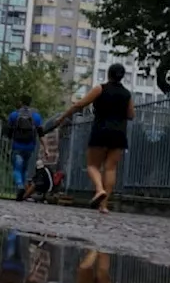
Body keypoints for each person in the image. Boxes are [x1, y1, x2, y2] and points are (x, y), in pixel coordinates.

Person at [57, 64, 135, 213]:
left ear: (108, 74)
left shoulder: (100, 89)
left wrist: (62, 118)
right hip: (119, 133)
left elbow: (80, 104)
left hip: (101, 130)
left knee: (92, 165)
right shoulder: (127, 94)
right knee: (111, 168)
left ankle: (99, 189)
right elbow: (131, 115)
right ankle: (104, 206)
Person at [7, 95, 44, 201]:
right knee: (24, 169)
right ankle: (22, 194)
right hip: (30, 148)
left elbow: (9, 132)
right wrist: (45, 147)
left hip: (17, 146)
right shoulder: (36, 116)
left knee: (17, 168)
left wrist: (10, 139)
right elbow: (41, 133)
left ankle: (20, 186)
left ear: (21, 102)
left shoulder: (14, 115)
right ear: (30, 103)